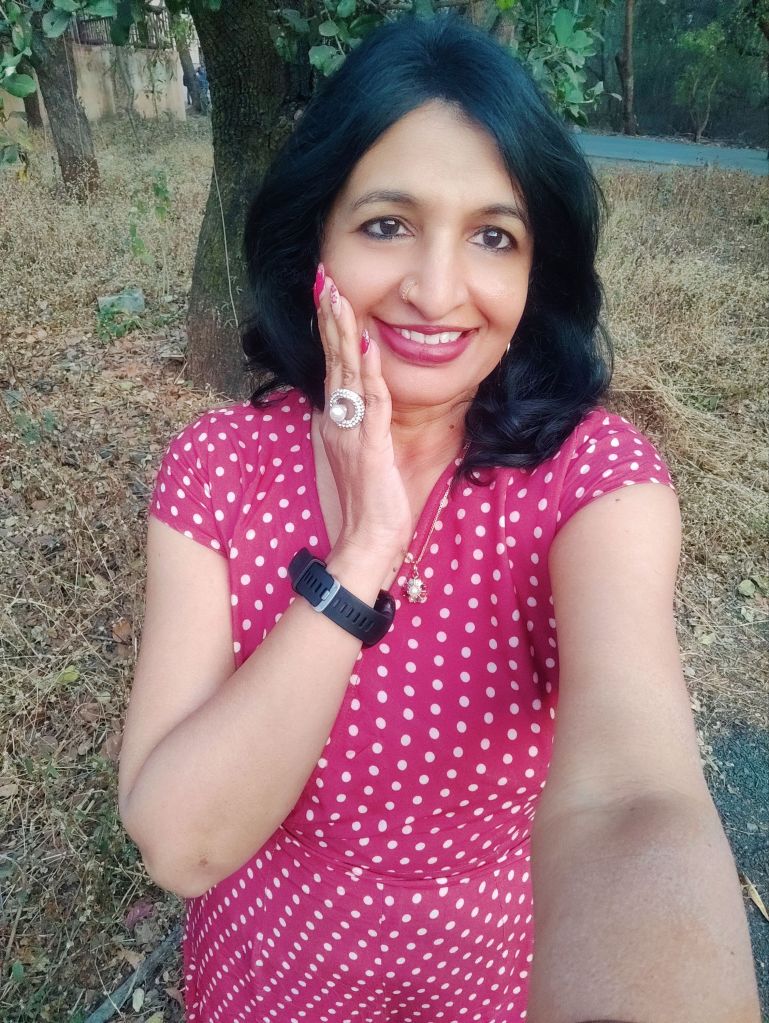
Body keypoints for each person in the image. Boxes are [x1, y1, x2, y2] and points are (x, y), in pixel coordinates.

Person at [118, 16, 760, 1023]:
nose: (434, 290)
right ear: (316, 239)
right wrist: (363, 552)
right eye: (387, 225)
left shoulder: (591, 483)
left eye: (493, 237)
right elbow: (178, 841)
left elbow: (631, 799)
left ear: (534, 273)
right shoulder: (218, 468)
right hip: (268, 972)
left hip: (490, 978)